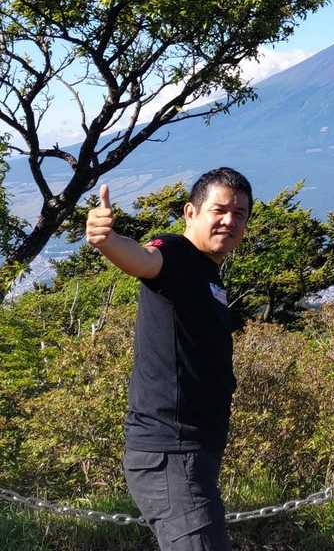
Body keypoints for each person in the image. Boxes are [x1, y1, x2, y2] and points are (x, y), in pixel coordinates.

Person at [85, 167, 253, 551]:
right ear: (190, 213)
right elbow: (144, 260)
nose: (229, 221)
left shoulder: (210, 276)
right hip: (170, 452)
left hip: (191, 453)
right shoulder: (177, 253)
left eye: (239, 214)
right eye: (219, 210)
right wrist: (107, 241)